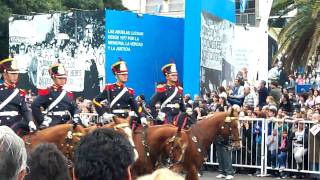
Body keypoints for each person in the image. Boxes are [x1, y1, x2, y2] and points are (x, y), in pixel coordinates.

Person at [92, 59, 145, 127]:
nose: (126, 76)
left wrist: (142, 117)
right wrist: (104, 113)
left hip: (127, 120)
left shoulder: (129, 91)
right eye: (123, 74)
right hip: (115, 119)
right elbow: (95, 101)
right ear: (116, 75)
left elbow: (136, 107)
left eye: (126, 74)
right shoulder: (110, 88)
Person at [31, 63, 85, 128]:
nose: (63, 80)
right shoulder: (46, 91)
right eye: (60, 78)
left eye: (64, 78)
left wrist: (76, 115)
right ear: (54, 78)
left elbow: (74, 108)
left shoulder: (68, 93)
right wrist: (42, 120)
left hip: (67, 122)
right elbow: (35, 105)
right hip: (53, 122)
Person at [0, 57, 36, 133]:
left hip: (17, 125)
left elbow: (25, 109)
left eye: (16, 73)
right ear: (4, 74)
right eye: (12, 74)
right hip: (2, 125)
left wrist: (30, 121)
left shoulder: (20, 92)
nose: (15, 76)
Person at [149, 62, 187, 128]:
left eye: (176, 75)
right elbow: (151, 103)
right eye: (173, 75)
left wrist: (187, 112)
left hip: (178, 115)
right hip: (167, 116)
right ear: (167, 76)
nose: (175, 77)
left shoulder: (179, 89)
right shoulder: (163, 89)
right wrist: (156, 115)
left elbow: (182, 106)